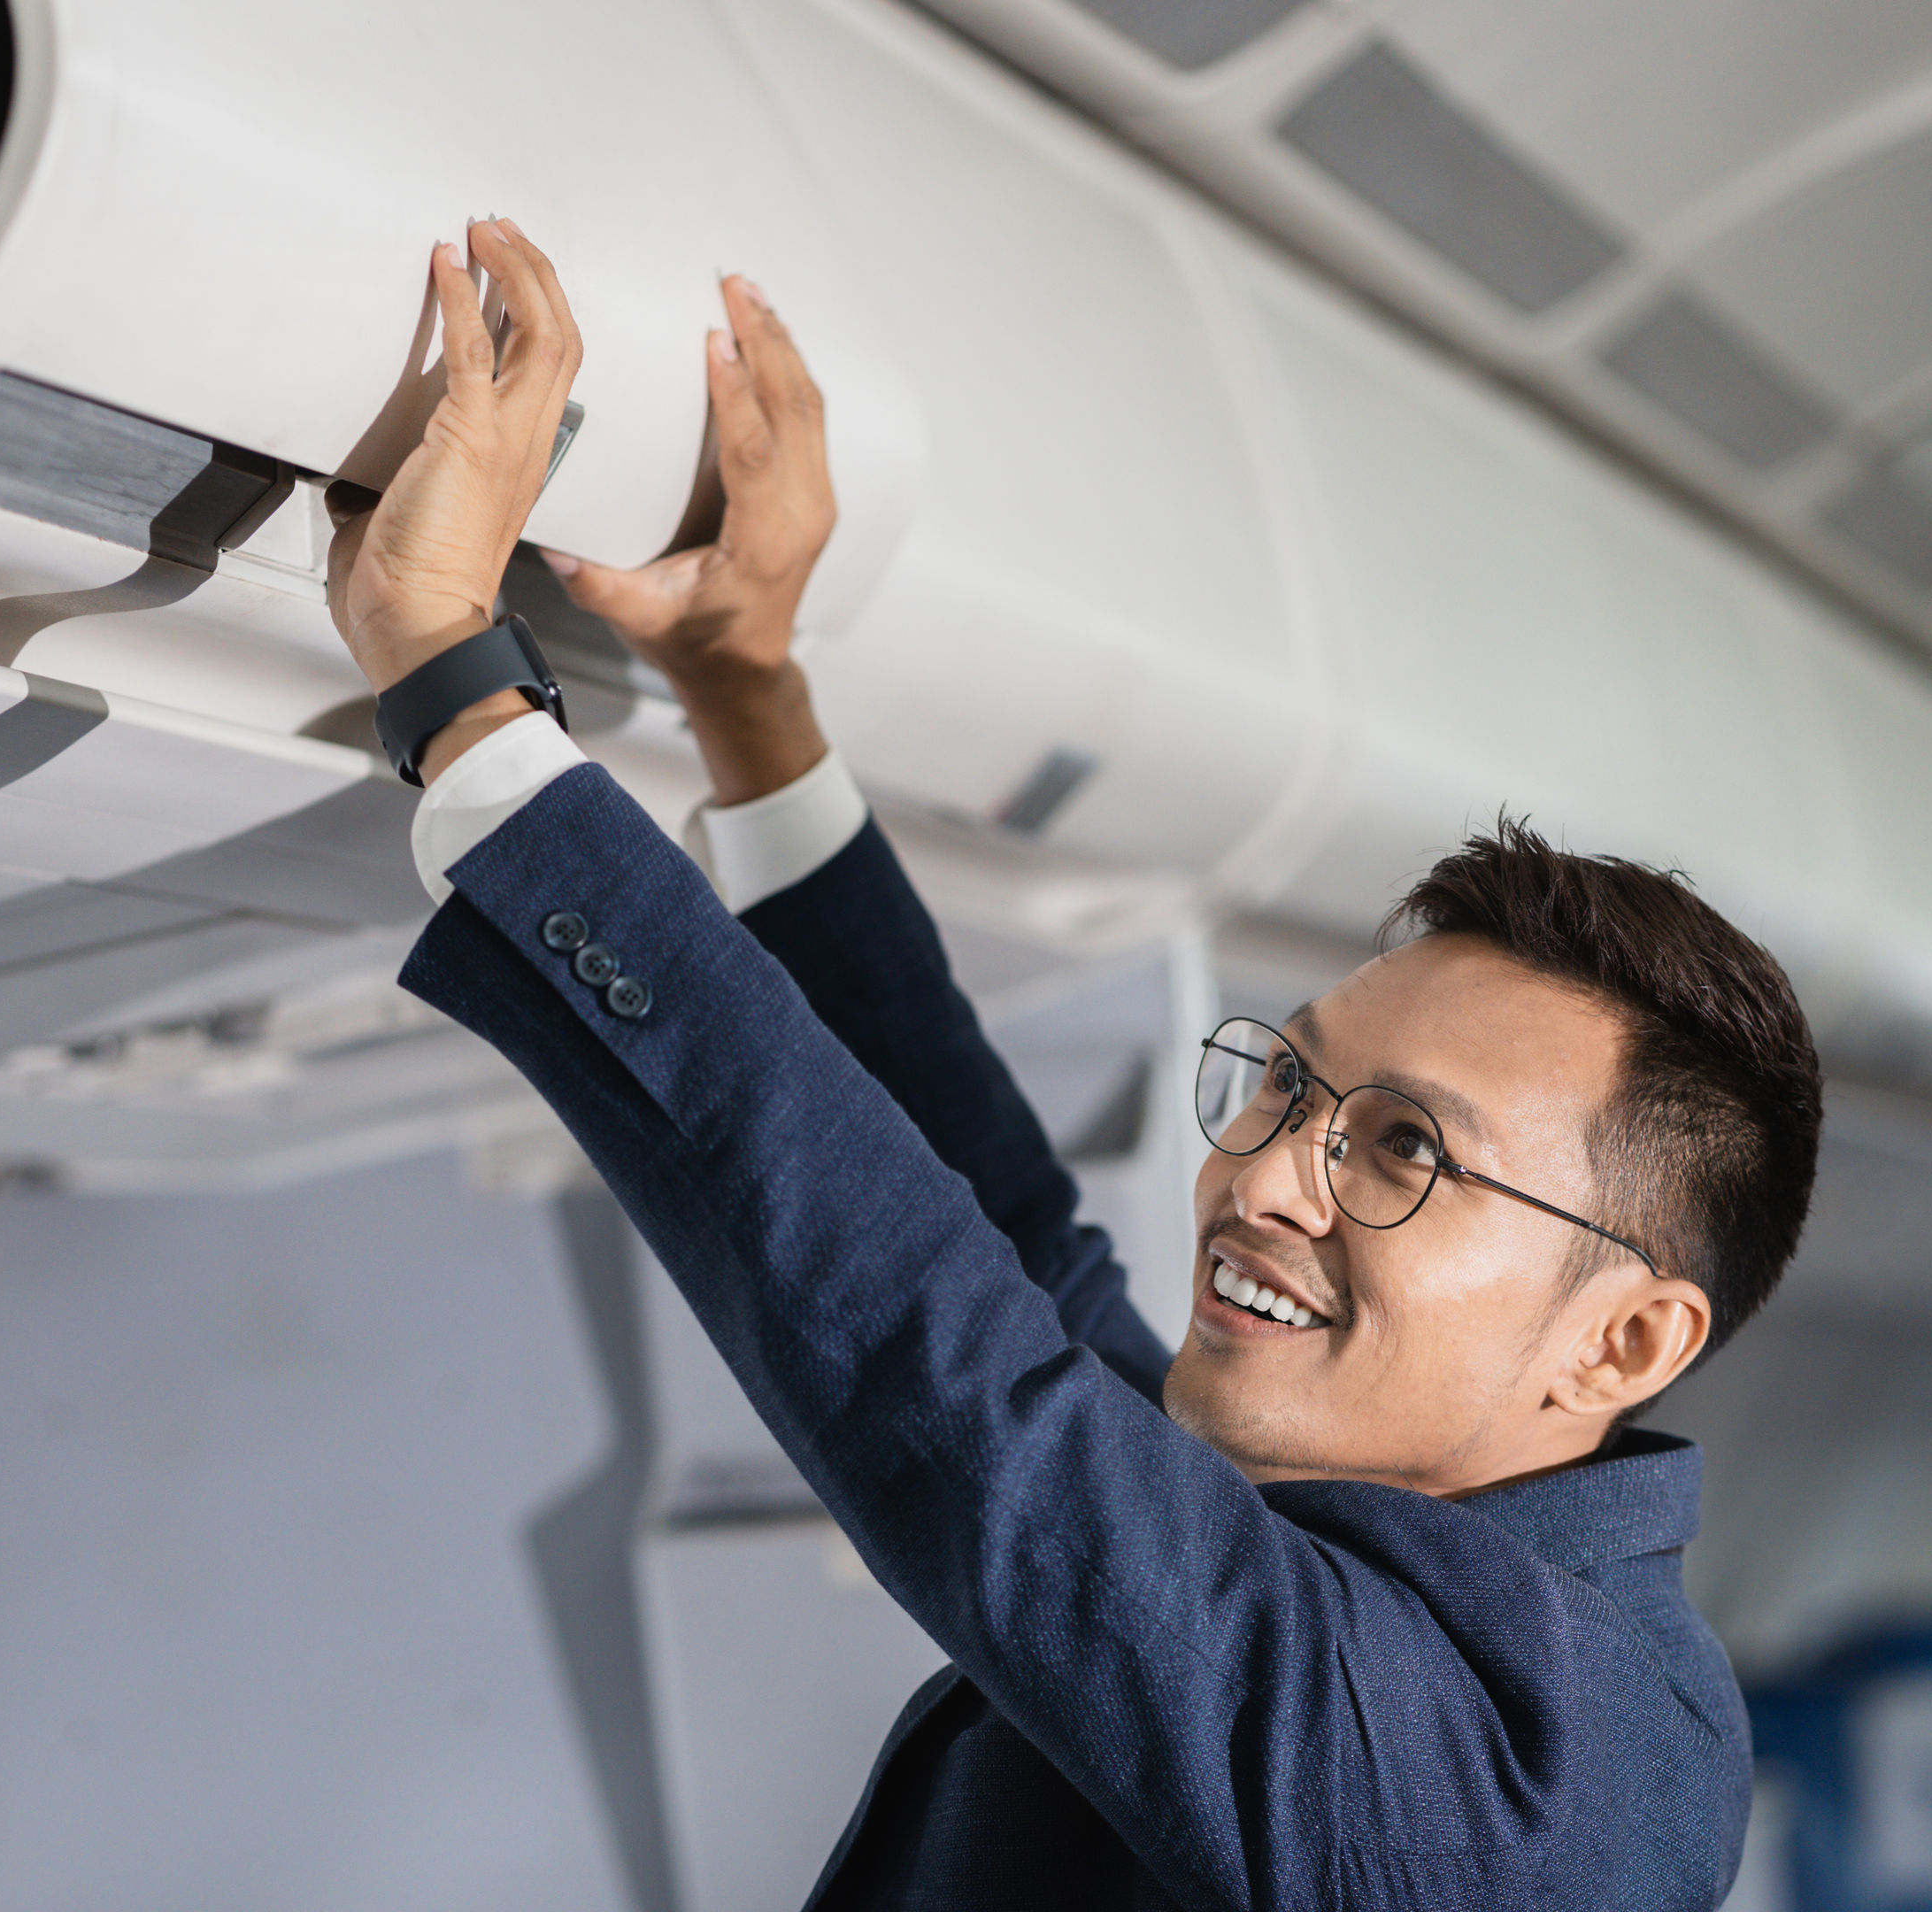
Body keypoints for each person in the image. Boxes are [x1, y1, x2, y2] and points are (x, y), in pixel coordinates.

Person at [326, 219, 1822, 1909]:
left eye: (1403, 1152)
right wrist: (750, 698)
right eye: (1293, 1087)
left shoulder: (1518, 1816)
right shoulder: (1460, 1577)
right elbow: (1011, 1272)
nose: (1262, 1175)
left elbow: (978, 1405)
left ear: (1622, 1336)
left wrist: (456, 683)